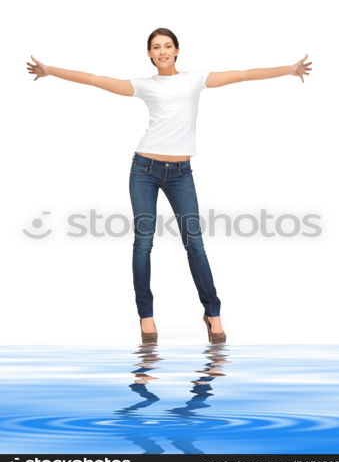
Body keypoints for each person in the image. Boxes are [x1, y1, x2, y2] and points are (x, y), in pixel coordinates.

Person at [26, 27, 312, 344]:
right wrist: (50, 70)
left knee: (194, 243)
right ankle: (146, 317)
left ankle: (212, 313)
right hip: (144, 169)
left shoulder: (195, 79)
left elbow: (243, 74)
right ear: (149, 53)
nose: (162, 51)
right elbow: (95, 79)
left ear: (177, 50)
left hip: (181, 173)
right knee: (144, 243)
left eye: (167, 46)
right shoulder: (144, 86)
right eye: (155, 47)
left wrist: (290, 69)